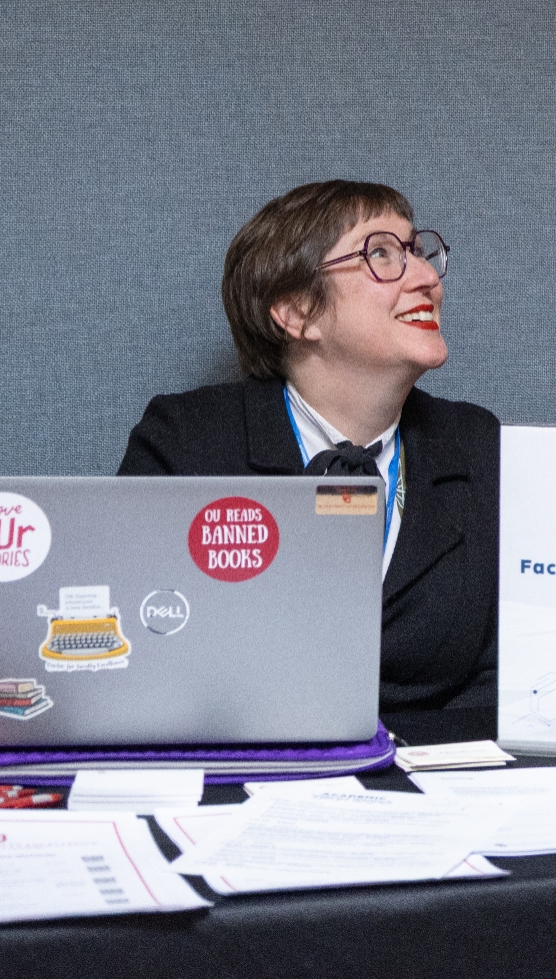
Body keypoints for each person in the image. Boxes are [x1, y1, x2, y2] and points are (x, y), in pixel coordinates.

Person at [119, 180, 498, 712]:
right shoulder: (186, 442)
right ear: (297, 312)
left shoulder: (479, 448)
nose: (428, 278)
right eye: (382, 254)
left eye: (417, 252)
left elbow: (504, 676)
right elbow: (144, 655)